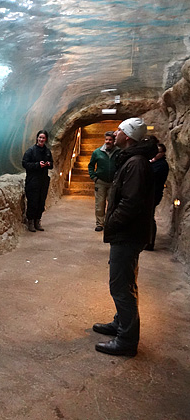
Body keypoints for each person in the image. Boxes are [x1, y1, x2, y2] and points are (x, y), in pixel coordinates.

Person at [93, 117, 158, 357]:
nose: (115, 132)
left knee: (121, 286)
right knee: (124, 281)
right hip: (128, 233)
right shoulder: (133, 160)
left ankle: (127, 340)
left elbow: (131, 203)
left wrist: (112, 223)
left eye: (120, 130)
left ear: (128, 137)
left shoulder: (136, 164)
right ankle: (120, 323)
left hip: (128, 234)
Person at [21, 130, 53, 232]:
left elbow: (52, 164)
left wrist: (48, 164)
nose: (41, 140)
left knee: (41, 202)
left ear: (46, 139)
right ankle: (30, 221)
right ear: (37, 138)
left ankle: (37, 221)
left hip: (43, 180)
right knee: (32, 202)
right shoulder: (30, 151)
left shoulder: (47, 151)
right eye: (40, 137)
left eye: (43, 138)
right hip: (33, 180)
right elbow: (25, 164)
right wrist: (37, 165)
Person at [88, 131, 120, 231]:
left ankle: (110, 223)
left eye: (110, 140)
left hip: (113, 182)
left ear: (114, 141)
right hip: (100, 181)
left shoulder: (119, 152)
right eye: (106, 139)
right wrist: (94, 177)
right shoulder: (97, 152)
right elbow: (91, 165)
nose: (108, 141)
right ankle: (100, 224)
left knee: (112, 203)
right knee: (99, 204)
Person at [145, 142, 169, 250]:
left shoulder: (162, 165)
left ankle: (150, 242)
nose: (155, 154)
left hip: (154, 194)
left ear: (163, 153)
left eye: (158, 152)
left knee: (150, 218)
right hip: (150, 193)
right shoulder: (154, 162)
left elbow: (151, 176)